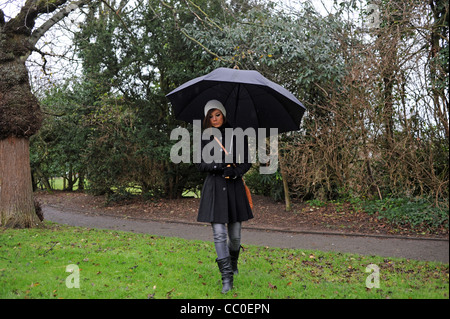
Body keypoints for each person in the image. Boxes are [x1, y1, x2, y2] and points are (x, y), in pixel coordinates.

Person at [196, 99, 253, 294]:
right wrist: (219, 167)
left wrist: (235, 172)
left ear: (223, 114)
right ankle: (226, 277)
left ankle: (234, 262)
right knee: (219, 234)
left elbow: (247, 162)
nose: (214, 119)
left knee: (235, 237)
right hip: (214, 188)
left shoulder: (237, 134)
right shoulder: (204, 137)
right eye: (210, 116)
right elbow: (200, 164)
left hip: (234, 189)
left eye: (217, 115)